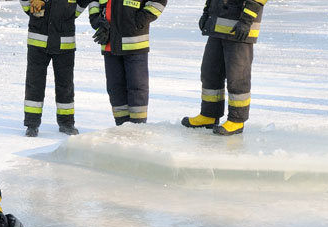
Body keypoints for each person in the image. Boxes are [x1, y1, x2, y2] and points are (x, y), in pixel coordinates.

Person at [181, 0, 267, 135]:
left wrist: (246, 21)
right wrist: (206, 12)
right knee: (210, 73)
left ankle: (237, 120)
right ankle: (209, 114)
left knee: (237, 77)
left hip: (240, 30)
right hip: (217, 26)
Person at [88, 0, 167, 125]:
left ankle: (138, 127)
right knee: (115, 88)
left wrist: (139, 20)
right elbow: (93, 3)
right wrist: (97, 22)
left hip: (134, 42)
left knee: (137, 87)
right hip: (110, 43)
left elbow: (159, 2)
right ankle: (121, 126)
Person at [21, 0, 91, 137]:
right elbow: (25, 4)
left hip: (64, 43)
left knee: (65, 86)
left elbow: (81, 4)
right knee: (34, 84)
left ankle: (66, 123)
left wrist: (67, 11)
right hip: (38, 41)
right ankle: (32, 124)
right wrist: (33, 7)